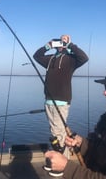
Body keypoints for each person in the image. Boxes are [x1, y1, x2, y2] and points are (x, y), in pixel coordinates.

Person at [33, 35, 88, 176]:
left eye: (62, 43)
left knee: (59, 134)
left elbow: (84, 57)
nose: (60, 45)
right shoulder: (50, 59)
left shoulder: (71, 60)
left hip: (61, 102)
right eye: (59, 42)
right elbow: (36, 56)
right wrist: (48, 46)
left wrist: (70, 45)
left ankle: (62, 166)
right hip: (48, 101)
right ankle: (58, 162)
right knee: (56, 132)